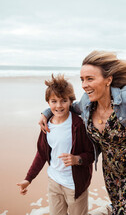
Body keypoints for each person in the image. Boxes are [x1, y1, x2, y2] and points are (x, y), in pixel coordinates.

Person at [39, 51, 126, 214]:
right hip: (113, 174)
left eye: (90, 78)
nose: (84, 85)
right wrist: (46, 113)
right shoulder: (87, 102)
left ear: (108, 80)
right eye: (82, 79)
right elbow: (66, 108)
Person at [17, 74, 94, 215]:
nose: (58, 106)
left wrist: (77, 159)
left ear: (71, 101)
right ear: (48, 103)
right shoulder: (46, 126)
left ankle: (107, 210)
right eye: (54, 101)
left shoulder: (79, 125)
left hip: (75, 185)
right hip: (54, 182)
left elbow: (91, 154)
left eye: (64, 101)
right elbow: (41, 154)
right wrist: (28, 179)